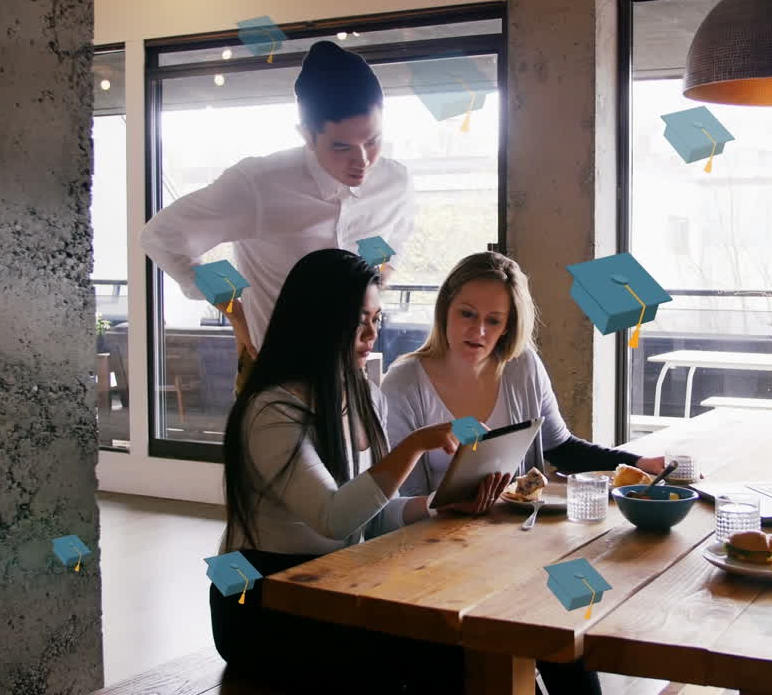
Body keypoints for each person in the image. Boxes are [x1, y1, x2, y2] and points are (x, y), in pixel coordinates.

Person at [209, 249, 505, 693]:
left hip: (330, 584)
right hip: (257, 598)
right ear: (321, 319)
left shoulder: (363, 394)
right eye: (360, 319)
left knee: (470, 639)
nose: (373, 333)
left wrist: (437, 505)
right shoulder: (270, 409)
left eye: (378, 319)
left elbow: (370, 517)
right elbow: (334, 518)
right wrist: (415, 444)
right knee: (434, 652)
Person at [380, 251, 665, 695]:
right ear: (445, 309)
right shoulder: (403, 384)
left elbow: (562, 447)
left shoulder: (522, 367)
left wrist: (635, 464)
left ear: (510, 325)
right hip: (435, 567)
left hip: (515, 550)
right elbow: (391, 509)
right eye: (467, 314)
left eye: (494, 321)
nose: (478, 331)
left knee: (573, 645)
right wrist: (442, 507)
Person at [140, 40, 415, 394]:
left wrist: (373, 281)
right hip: (276, 372)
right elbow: (162, 237)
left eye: (372, 140)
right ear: (308, 136)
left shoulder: (395, 183)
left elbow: (393, 245)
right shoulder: (258, 184)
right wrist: (235, 310)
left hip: (350, 374)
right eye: (342, 146)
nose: (361, 160)